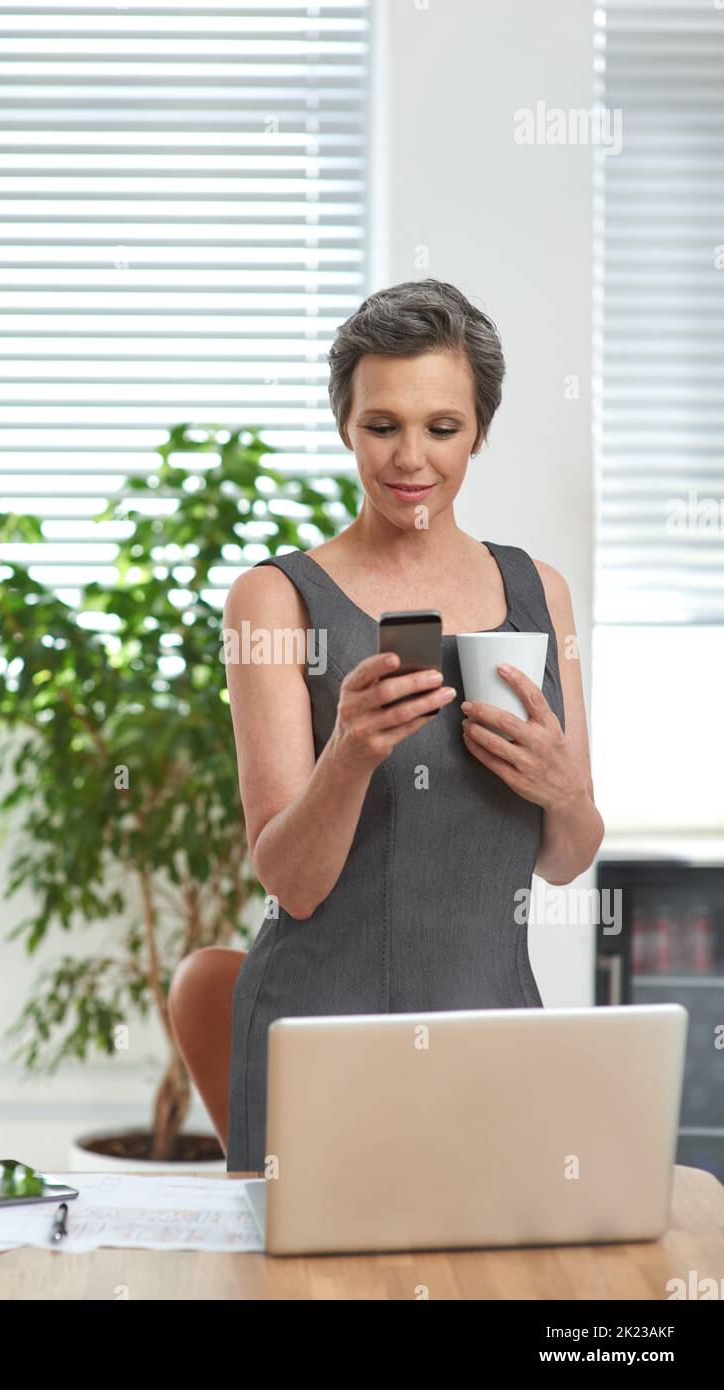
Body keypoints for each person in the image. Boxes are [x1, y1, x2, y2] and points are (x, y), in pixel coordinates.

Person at [223, 278, 604, 1174]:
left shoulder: (539, 591)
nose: (409, 459)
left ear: (479, 431)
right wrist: (349, 753)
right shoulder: (274, 598)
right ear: (344, 426)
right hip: (323, 1040)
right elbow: (291, 884)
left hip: (496, 1038)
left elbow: (564, 859)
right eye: (381, 425)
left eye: (441, 427)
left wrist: (562, 789)